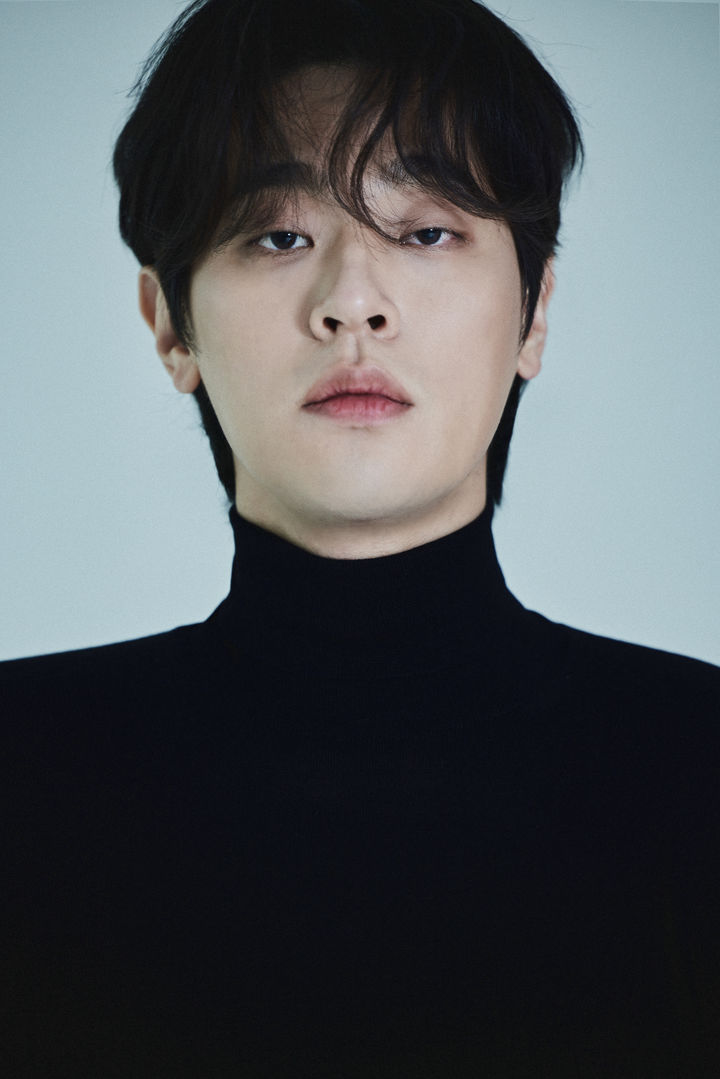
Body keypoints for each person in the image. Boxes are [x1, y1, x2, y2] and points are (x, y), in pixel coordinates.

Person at [2, 1, 718, 1075]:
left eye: (426, 231)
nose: (352, 304)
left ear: (533, 312)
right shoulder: (23, 774)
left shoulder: (696, 770)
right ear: (170, 323)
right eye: (279, 234)